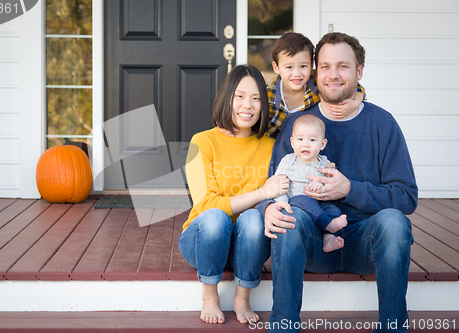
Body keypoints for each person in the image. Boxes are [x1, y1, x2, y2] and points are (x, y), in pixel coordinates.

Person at [256, 32, 418, 332]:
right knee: (287, 216)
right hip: (313, 244)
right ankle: (283, 326)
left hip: (365, 243)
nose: (333, 75)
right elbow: (275, 182)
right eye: (326, 66)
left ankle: (393, 327)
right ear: (316, 73)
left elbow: (406, 197)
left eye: (343, 66)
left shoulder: (381, 123)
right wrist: (268, 207)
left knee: (395, 223)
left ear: (358, 72)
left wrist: (351, 190)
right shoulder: (297, 125)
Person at [179, 65, 289, 325]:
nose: (247, 105)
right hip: (203, 241)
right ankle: (209, 297)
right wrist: (262, 192)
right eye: (239, 96)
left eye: (256, 98)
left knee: (253, 219)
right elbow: (205, 204)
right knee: (216, 217)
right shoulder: (203, 141)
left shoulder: (272, 147)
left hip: (247, 245)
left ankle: (242, 297)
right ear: (226, 98)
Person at [266, 32, 365, 139]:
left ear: (312, 65)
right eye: (289, 67)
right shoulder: (268, 94)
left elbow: (354, 86)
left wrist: (356, 102)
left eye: (303, 66)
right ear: (276, 67)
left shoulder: (316, 81)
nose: (297, 74)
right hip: (277, 145)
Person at [273, 114, 347, 253]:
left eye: (312, 140)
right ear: (292, 142)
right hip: (297, 202)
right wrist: (281, 202)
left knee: (334, 210)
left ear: (322, 144)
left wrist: (322, 186)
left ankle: (329, 239)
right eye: (300, 139)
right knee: (304, 200)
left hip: (320, 202)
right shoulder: (288, 161)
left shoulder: (324, 162)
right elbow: (278, 184)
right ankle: (329, 225)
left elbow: (332, 184)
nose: (305, 144)